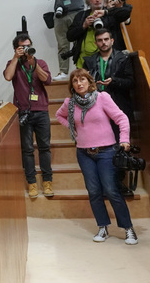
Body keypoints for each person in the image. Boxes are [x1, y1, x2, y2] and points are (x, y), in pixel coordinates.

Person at [55, 68, 137, 245]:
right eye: (75, 81)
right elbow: (59, 116)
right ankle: (103, 227)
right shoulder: (69, 103)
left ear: (90, 82)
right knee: (93, 192)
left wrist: (124, 139)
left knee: (111, 190)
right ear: (72, 85)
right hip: (84, 153)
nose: (79, 83)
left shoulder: (102, 98)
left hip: (106, 152)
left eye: (82, 79)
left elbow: (122, 118)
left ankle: (128, 229)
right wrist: (73, 130)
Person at [83, 28, 135, 196]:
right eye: (100, 40)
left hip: (119, 107)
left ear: (112, 40)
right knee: (102, 149)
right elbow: (82, 85)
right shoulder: (89, 61)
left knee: (119, 149)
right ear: (96, 42)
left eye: (106, 39)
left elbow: (131, 82)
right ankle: (104, 186)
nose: (103, 43)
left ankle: (118, 185)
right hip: (96, 111)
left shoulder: (123, 58)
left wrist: (114, 82)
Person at [3, 33, 54, 198]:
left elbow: (47, 80)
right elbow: (8, 76)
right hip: (23, 112)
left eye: (28, 46)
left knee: (45, 148)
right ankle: (32, 183)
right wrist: (15, 58)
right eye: (22, 47)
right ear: (16, 48)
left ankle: (47, 182)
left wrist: (35, 63)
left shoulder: (40, 62)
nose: (26, 49)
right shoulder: (13, 64)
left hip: (41, 111)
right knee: (27, 150)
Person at [45, 0, 89, 80]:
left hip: (77, 12)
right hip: (60, 15)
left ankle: (80, 71)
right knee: (62, 44)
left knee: (79, 42)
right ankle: (63, 72)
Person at [66, 0, 132, 67]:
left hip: (109, 61)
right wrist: (84, 25)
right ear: (88, 1)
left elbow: (127, 11)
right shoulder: (81, 16)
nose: (97, 0)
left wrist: (106, 12)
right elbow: (69, 36)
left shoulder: (110, 14)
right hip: (84, 61)